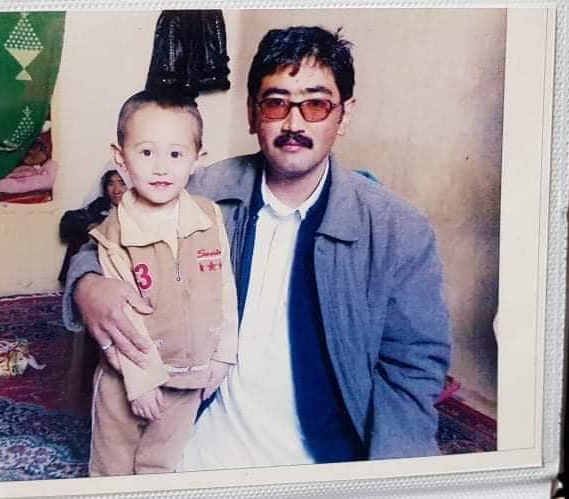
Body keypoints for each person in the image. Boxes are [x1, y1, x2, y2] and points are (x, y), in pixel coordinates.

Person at [64, 26, 451, 468]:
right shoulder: (203, 191)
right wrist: (87, 285)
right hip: (192, 438)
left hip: (323, 456)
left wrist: (397, 476)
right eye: (276, 102)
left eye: (316, 104)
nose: (294, 123)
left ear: (344, 116)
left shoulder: (398, 230)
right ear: (252, 114)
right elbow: (108, 242)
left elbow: (412, 370)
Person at [85, 89, 238, 476]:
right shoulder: (113, 233)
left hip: (189, 378)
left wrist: (223, 355)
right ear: (121, 158)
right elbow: (123, 319)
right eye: (146, 152)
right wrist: (140, 382)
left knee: (161, 464)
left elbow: (225, 289)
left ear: (197, 160)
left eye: (175, 154)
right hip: (129, 379)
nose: (161, 168)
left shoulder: (209, 218)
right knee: (113, 467)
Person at [57, 169, 127, 284]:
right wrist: (91, 226)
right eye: (111, 184)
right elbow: (69, 220)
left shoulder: (139, 207)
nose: (116, 190)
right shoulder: (101, 204)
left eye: (122, 183)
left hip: (125, 259)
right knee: (83, 251)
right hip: (99, 256)